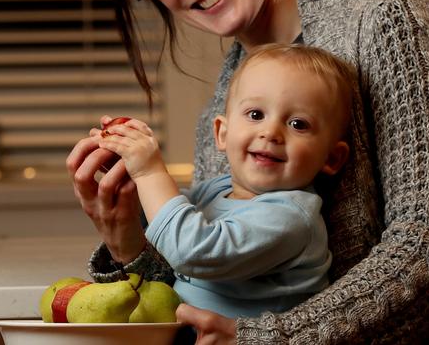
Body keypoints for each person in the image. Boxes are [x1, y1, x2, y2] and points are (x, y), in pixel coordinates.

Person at [66, 0, 429, 343]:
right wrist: (125, 241)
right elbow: (216, 293)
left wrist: (269, 339)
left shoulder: (387, 21)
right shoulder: (220, 118)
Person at [96, 44, 353, 318]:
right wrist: (128, 184)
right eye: (256, 115)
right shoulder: (215, 191)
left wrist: (150, 173)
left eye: (298, 124)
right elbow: (160, 231)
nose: (271, 132)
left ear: (332, 158)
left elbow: (190, 250)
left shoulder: (292, 217)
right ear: (222, 133)